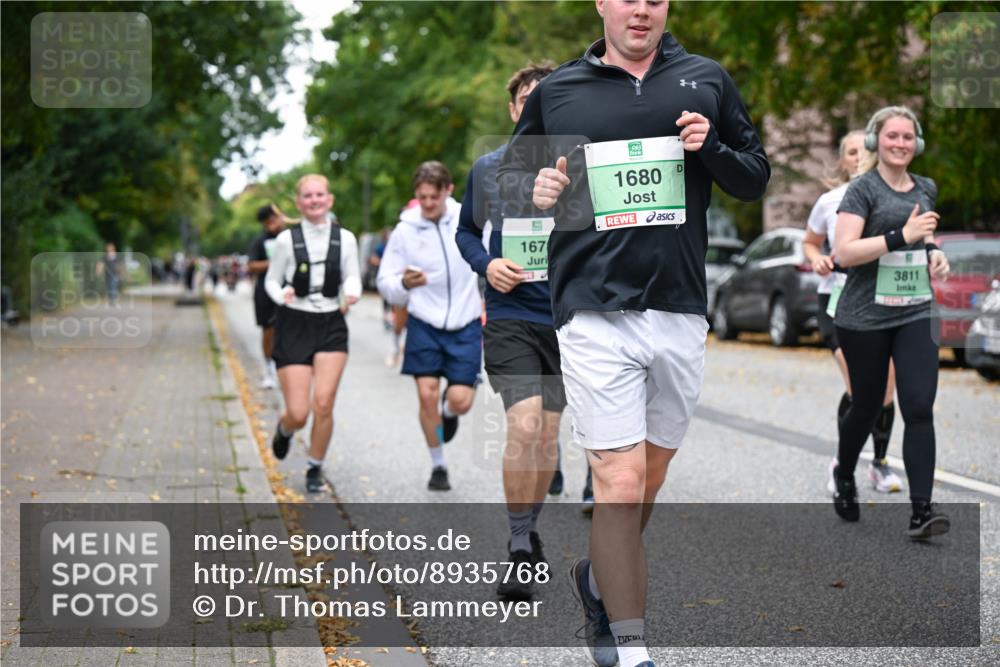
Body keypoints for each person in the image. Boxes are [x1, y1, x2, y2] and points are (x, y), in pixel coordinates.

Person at [498, 2, 769, 665]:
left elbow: (754, 175)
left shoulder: (705, 78)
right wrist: (535, 188)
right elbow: (509, 178)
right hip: (591, 308)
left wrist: (714, 147)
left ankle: (596, 577)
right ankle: (631, 647)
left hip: (677, 305)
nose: (640, 8)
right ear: (603, 4)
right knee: (617, 482)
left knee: (647, 479)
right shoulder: (561, 89)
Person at [455, 62, 562, 601]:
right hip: (511, 314)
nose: (536, 106)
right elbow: (467, 232)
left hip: (567, 321)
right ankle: (520, 546)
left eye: (549, 98)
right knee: (524, 426)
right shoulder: (488, 169)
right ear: (514, 109)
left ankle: (532, 526)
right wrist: (485, 265)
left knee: (547, 436)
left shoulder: (580, 165)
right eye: (527, 98)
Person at [831, 105, 951, 539]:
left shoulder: (926, 187)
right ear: (874, 142)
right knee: (867, 405)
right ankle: (845, 472)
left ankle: (922, 512)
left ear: (916, 144)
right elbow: (844, 252)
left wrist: (933, 252)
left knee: (918, 406)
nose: (899, 144)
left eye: (906, 137)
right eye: (891, 136)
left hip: (916, 309)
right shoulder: (862, 190)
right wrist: (902, 236)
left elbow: (925, 235)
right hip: (864, 316)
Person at [802, 132, 903, 495]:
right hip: (837, 301)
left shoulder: (894, 198)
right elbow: (810, 244)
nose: (859, 157)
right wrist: (819, 261)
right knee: (861, 385)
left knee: (887, 383)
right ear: (844, 161)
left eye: (866, 150)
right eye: (851, 152)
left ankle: (878, 463)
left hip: (879, 301)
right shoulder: (829, 201)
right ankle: (843, 465)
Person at [377, 162, 482, 492]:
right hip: (424, 321)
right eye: (421, 197)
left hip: (465, 321)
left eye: (433, 197)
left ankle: (449, 413)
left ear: (448, 191)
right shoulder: (405, 230)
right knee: (426, 395)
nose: (426, 204)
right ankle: (438, 465)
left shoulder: (470, 219)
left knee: (461, 400)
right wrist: (404, 284)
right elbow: (385, 282)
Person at [265, 175, 361, 493]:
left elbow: (353, 277)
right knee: (298, 412)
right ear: (299, 203)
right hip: (294, 323)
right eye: (308, 196)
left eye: (320, 194)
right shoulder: (285, 240)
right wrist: (282, 297)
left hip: (331, 323)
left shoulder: (345, 238)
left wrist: (352, 293)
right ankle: (285, 428)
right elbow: (271, 281)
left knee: (323, 403)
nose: (315, 200)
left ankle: (315, 466)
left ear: (330, 199)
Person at [247, 203, 287, 389]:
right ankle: (269, 370)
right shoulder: (259, 241)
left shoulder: (289, 238)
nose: (275, 224)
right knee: (268, 330)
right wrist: (273, 263)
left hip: (287, 290)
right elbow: (252, 265)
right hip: (265, 291)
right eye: (271, 221)